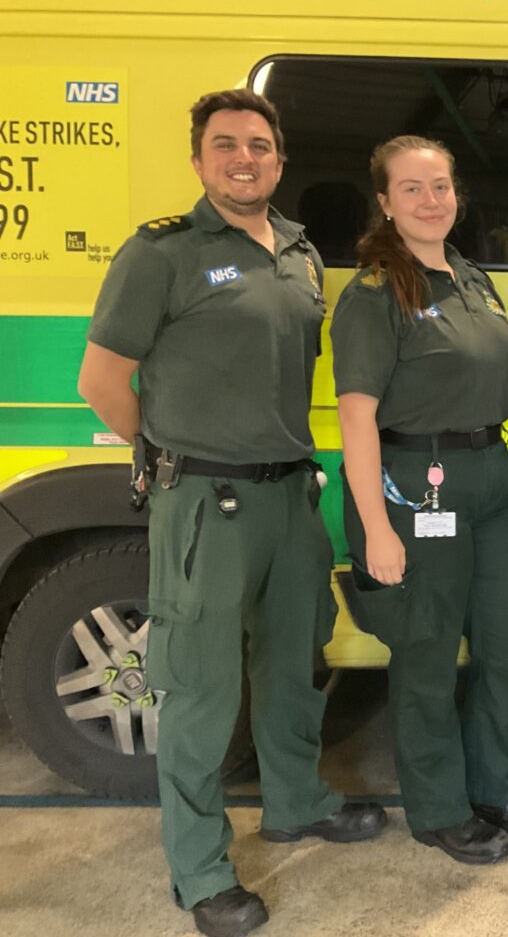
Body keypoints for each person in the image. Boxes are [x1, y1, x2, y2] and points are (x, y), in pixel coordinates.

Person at [77, 89, 386, 937]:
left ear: (279, 162)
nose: (243, 159)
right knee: (201, 690)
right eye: (225, 145)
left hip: (290, 495)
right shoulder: (162, 253)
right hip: (205, 505)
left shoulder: (299, 252)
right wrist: (169, 457)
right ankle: (201, 869)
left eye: (258, 145)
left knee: (293, 665)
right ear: (199, 160)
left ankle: (297, 800)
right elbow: (101, 381)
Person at [330, 135, 508, 867]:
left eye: (442, 186)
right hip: (415, 485)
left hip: (492, 478)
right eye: (412, 189)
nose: (431, 200)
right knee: (426, 656)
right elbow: (356, 417)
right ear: (385, 203)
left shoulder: (472, 278)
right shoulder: (374, 293)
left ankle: (494, 789)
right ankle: (440, 809)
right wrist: (375, 527)